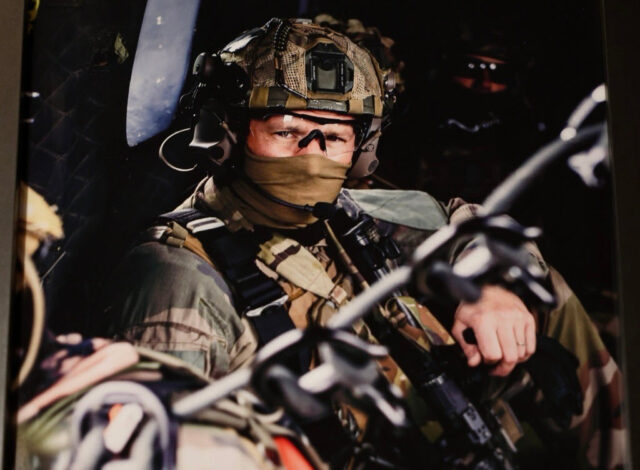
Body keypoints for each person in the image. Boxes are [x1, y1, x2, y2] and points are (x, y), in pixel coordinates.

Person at [103, 18, 623, 469]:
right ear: (228, 133)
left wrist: (493, 286)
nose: (312, 154)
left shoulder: (346, 211)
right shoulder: (177, 279)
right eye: (287, 131)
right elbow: (156, 447)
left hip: (418, 430)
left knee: (541, 293)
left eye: (333, 137)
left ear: (362, 150)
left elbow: (468, 225)